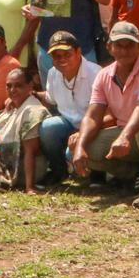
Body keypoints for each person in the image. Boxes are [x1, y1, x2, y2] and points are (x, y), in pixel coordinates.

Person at [69, 21, 139, 193]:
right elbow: (92, 116)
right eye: (119, 45)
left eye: (130, 45)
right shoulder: (104, 75)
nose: (124, 51)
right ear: (109, 47)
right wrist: (81, 145)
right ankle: (133, 174)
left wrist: (125, 136)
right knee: (76, 149)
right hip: (127, 132)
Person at [35, 30, 102, 185]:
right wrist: (29, 94)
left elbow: (108, 113)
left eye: (67, 54)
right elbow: (50, 98)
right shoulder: (53, 74)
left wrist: (82, 134)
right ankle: (59, 172)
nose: (62, 59)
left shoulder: (96, 74)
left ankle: (98, 174)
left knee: (71, 153)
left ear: (78, 52)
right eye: (57, 56)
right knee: (48, 127)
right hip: (68, 126)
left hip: (96, 127)